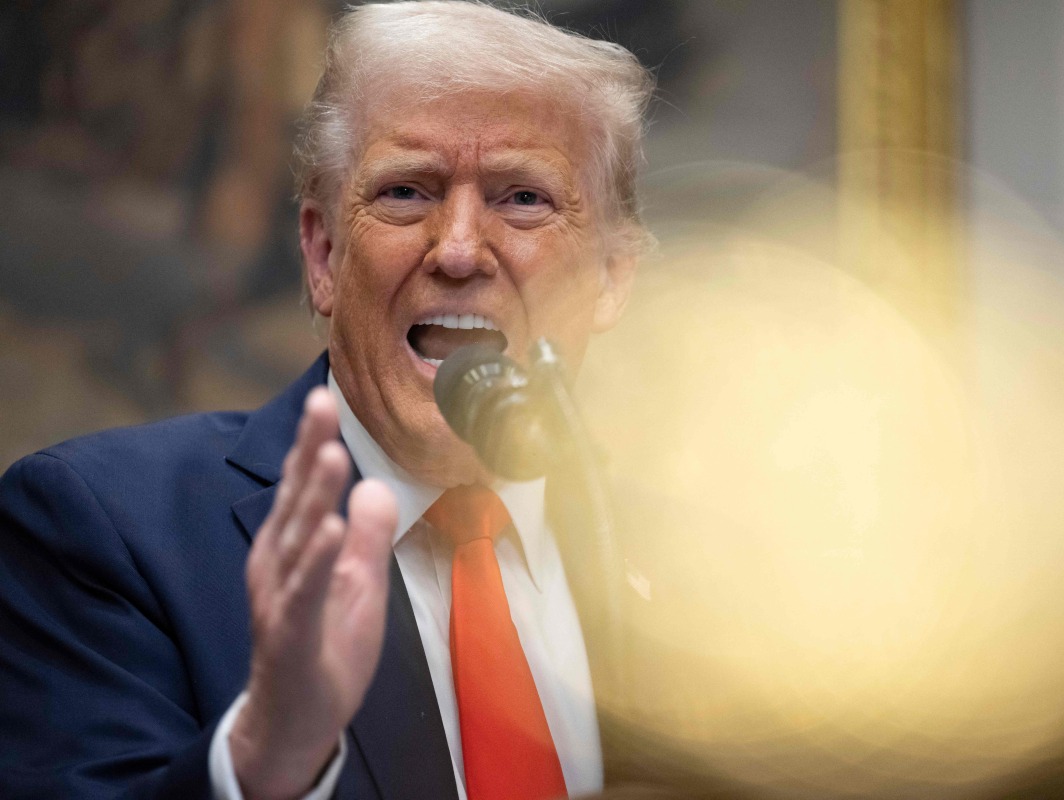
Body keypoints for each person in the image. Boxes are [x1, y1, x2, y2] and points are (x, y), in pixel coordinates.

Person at [0, 2, 653, 798]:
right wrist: (262, 762)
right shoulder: (102, 530)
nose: (455, 249)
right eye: (407, 191)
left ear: (612, 277)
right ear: (321, 254)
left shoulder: (693, 565)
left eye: (522, 198)